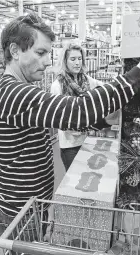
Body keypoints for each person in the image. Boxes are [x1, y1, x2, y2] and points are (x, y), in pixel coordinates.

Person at [0, 12, 140, 240]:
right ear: (15, 51)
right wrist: (139, 73)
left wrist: (104, 119)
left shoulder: (17, 88)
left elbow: (68, 115)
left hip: (31, 207)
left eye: (48, 53)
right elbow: (77, 112)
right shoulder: (12, 92)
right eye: (40, 53)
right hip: (17, 213)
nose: (48, 62)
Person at [50, 41, 119, 171]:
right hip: (69, 145)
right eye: (73, 59)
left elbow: (106, 89)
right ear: (65, 61)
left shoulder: (88, 80)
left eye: (80, 58)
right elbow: (58, 119)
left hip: (89, 139)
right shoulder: (57, 85)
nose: (77, 63)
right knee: (74, 179)